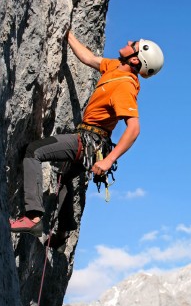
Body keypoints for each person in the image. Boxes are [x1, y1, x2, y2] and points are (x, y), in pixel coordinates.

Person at [9, 31, 164, 249]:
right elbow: (89, 58)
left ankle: (33, 218)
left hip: (88, 140)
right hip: (89, 142)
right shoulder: (114, 68)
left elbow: (134, 129)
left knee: (34, 151)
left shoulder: (125, 86)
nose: (129, 41)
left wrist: (108, 161)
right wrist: (67, 33)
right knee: (64, 177)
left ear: (135, 59)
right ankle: (63, 231)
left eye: (135, 44)